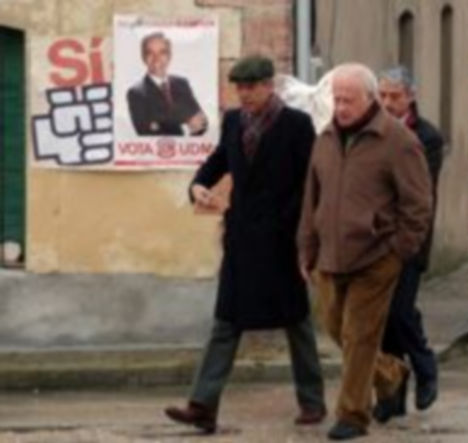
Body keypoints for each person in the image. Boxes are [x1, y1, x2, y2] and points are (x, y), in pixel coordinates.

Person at [164, 55, 326, 434]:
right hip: (240, 238)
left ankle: (312, 401)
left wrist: (295, 230)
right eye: (239, 87)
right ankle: (202, 405)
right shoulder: (235, 121)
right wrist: (198, 184)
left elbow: (311, 184)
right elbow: (220, 159)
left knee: (296, 322)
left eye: (251, 87)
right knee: (226, 321)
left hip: (281, 241)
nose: (245, 94)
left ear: (269, 86)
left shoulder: (297, 126)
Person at [297, 63, 433, 441]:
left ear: (370, 99)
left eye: (348, 100)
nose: (340, 107)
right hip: (331, 255)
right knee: (336, 328)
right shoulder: (325, 139)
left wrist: (399, 249)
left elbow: (418, 204)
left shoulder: (397, 141)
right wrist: (306, 248)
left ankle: (353, 415)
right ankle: (392, 372)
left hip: (376, 256)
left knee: (359, 334)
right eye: (336, 99)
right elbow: (312, 199)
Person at [374, 66, 444, 422]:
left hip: (410, 240)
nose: (387, 103)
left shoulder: (426, 136)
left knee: (400, 310)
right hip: (375, 241)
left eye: (395, 96)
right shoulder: (369, 131)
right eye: (382, 96)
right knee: (383, 319)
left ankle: (425, 366)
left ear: (410, 97)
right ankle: (391, 395)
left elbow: (418, 190)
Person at [126, 32, 208, 136]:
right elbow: (145, 131)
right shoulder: (136, 93)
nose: (156, 58)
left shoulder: (182, 84)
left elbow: (202, 121)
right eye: (150, 53)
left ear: (169, 56)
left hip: (188, 150)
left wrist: (163, 122)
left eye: (162, 52)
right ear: (143, 57)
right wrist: (187, 125)